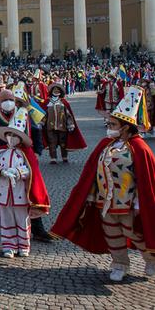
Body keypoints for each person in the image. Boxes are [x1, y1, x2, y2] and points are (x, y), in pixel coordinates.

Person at [51, 85, 155, 281]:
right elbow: (92, 172)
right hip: (104, 200)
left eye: (113, 124)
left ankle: (150, 258)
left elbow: (146, 179)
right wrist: (90, 194)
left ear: (125, 126)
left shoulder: (140, 148)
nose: (109, 126)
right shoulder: (105, 144)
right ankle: (120, 264)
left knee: (132, 232)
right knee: (112, 233)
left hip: (128, 202)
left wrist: (140, 202)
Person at [0, 108, 50, 258]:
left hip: (20, 193)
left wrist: (18, 173)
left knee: (22, 220)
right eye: (9, 134)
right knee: (6, 219)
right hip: (4, 194)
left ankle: (23, 245)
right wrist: (2, 171)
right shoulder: (1, 152)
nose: (11, 137)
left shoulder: (25, 154)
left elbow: (31, 171)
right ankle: (9, 246)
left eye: (15, 135)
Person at [40, 83, 86, 164]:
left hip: (62, 126)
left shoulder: (64, 102)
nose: (56, 91)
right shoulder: (47, 102)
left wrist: (70, 124)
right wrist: (41, 122)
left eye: (58, 90)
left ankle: (64, 156)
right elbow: (44, 114)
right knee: (52, 142)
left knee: (63, 143)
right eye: (54, 90)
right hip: (50, 126)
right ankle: (53, 158)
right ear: (51, 91)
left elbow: (68, 114)